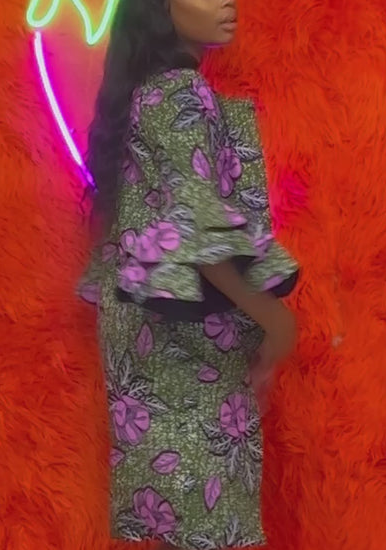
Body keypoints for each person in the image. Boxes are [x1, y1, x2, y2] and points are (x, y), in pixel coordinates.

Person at [78, 1, 299, 548]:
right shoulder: (180, 92)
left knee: (177, 516)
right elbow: (198, 230)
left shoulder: (143, 94)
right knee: (209, 515)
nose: (226, 1)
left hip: (144, 339)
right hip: (184, 349)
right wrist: (277, 323)